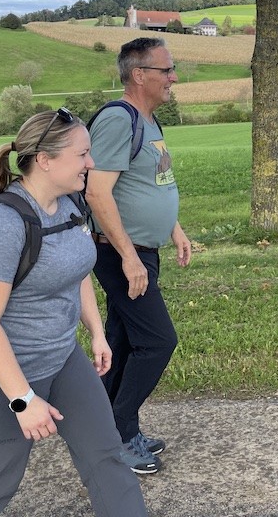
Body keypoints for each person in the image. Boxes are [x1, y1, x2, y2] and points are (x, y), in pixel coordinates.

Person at [0, 108, 148, 517]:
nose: (91, 163)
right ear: (45, 160)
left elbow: (77, 270)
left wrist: (95, 331)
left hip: (62, 359)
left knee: (108, 458)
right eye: (82, 155)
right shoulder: (3, 223)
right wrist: (23, 400)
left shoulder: (69, 204)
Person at [85, 37, 192, 475]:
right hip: (120, 254)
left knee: (123, 341)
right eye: (166, 70)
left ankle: (101, 429)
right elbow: (97, 191)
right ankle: (120, 430)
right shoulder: (118, 119)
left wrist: (175, 227)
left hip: (143, 249)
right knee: (158, 341)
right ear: (139, 75)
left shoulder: (150, 123)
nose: (174, 77)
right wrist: (129, 256)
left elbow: (154, 184)